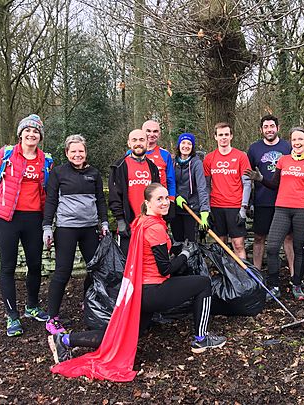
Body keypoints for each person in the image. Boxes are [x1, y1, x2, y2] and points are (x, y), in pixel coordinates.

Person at [48, 183, 226, 381]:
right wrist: (185, 253)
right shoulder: (155, 228)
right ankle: (202, 339)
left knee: (122, 335)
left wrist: (174, 251)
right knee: (203, 283)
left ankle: (65, 339)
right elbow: (165, 269)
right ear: (147, 202)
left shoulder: (141, 221)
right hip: (153, 291)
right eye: (159, 199)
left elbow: (152, 255)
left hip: (138, 291)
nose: (165, 202)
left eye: (167, 198)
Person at [0, 114, 52, 336]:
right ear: (20, 134)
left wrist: (48, 220)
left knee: (35, 265)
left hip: (34, 219)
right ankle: (12, 316)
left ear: (40, 137)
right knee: (7, 266)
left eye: (36, 131)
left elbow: (48, 193)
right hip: (7, 218)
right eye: (27, 131)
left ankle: (32, 307)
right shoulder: (6, 154)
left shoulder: (46, 160)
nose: (31, 134)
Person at [42, 135, 109, 334]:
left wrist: (104, 223)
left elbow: (100, 201)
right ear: (67, 153)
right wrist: (47, 227)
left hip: (90, 228)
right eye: (73, 151)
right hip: (66, 229)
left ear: (86, 153)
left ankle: (88, 303)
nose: (77, 155)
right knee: (63, 272)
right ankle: (52, 318)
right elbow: (51, 201)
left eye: (81, 151)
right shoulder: (58, 173)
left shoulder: (94, 173)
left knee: (95, 269)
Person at [245, 127, 304, 300]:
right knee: (272, 247)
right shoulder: (283, 160)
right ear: (291, 142)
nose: (297, 142)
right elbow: (275, 184)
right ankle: (274, 286)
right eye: (294, 140)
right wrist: (261, 179)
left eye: (300, 139)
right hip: (282, 208)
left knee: (299, 248)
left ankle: (297, 285)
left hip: (302, 209)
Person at [247, 115, 294, 273]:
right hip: (262, 200)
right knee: (259, 237)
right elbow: (247, 177)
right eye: (266, 127)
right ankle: (257, 274)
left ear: (278, 128)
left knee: (288, 238)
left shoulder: (288, 147)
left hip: (285, 201)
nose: (269, 130)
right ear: (261, 130)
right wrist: (247, 202)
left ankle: (294, 274)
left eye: (272, 126)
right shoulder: (254, 149)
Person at [203, 122, 252, 259]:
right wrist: (207, 208)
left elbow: (247, 184)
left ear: (231, 136)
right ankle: (224, 276)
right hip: (216, 206)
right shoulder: (209, 159)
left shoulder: (241, 156)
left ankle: (242, 278)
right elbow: (206, 186)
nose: (223, 138)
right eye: (220, 135)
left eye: (226, 134)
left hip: (235, 206)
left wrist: (243, 208)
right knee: (221, 245)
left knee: (238, 244)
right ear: (215, 137)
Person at [109, 129, 160, 256]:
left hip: (149, 224)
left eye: (142, 140)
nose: (138, 143)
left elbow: (157, 196)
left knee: (148, 262)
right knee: (127, 264)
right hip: (128, 224)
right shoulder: (119, 166)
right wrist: (120, 220)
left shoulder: (153, 167)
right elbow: (114, 195)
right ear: (129, 143)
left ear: (147, 142)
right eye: (134, 140)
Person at [172, 133, 210, 242]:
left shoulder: (196, 163)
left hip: (192, 208)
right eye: (183, 142)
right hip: (176, 208)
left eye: (189, 143)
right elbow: (169, 183)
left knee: (191, 243)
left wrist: (204, 211)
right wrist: (176, 196)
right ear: (178, 145)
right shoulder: (173, 162)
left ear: (192, 147)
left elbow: (202, 187)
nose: (186, 146)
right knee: (177, 242)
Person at [142, 120, 176, 210]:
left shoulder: (165, 154)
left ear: (159, 134)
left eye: (155, 131)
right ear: (142, 132)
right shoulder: (131, 154)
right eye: (148, 131)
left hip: (160, 203)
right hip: (139, 200)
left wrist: (171, 200)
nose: (152, 134)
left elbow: (171, 180)